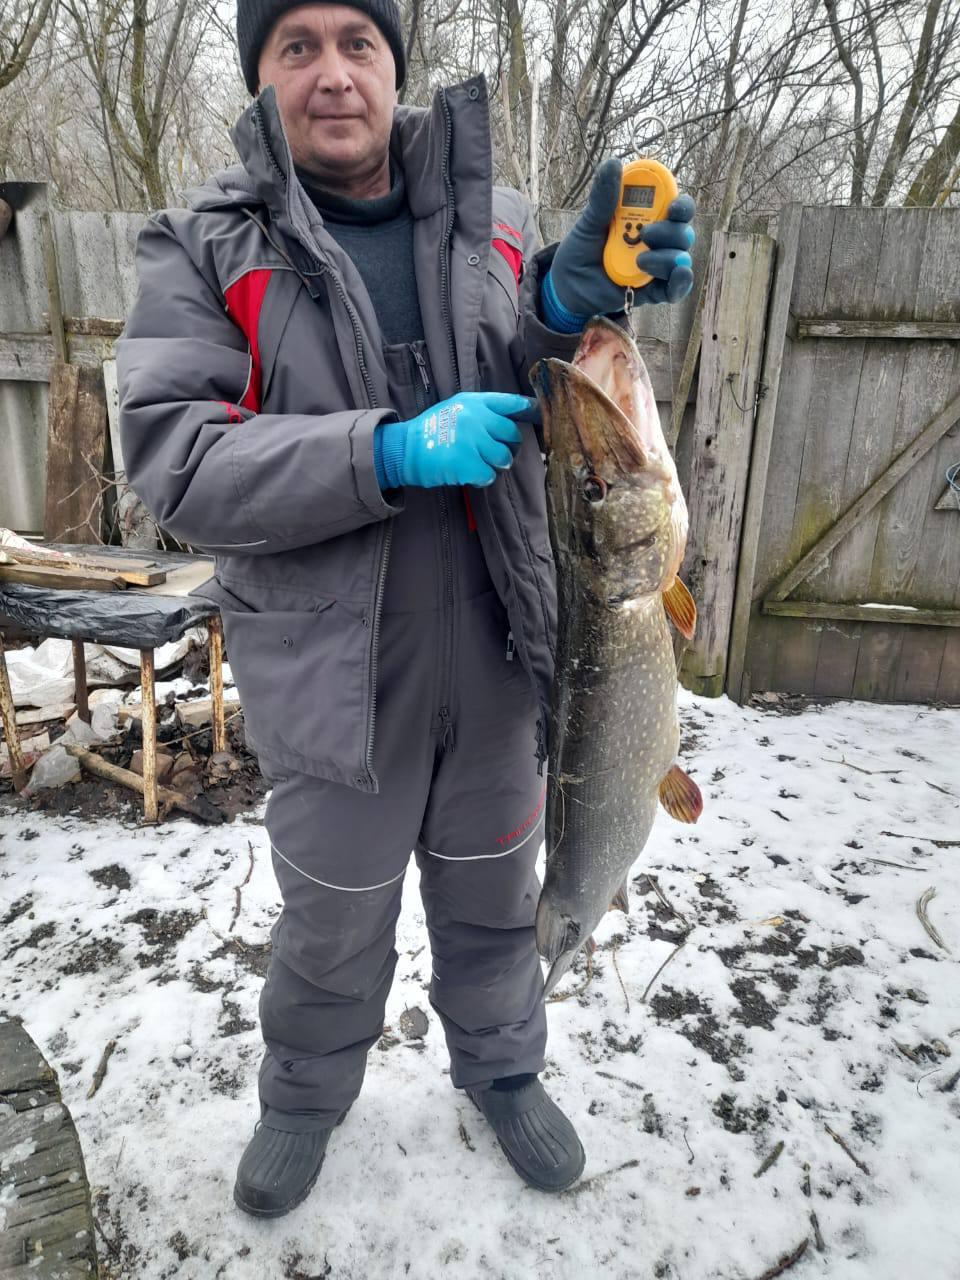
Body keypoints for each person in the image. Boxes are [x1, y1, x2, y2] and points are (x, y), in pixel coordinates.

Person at [117, 0, 695, 1217]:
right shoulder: (200, 248)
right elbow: (177, 463)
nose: (332, 74)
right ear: (261, 76)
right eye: (297, 47)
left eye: (358, 42)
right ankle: (301, 1099)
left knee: (496, 905)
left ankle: (504, 1069)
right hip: (331, 680)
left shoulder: (496, 223)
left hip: (497, 656)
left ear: (395, 63)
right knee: (331, 929)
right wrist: (384, 449)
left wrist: (561, 299)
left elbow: (523, 386)